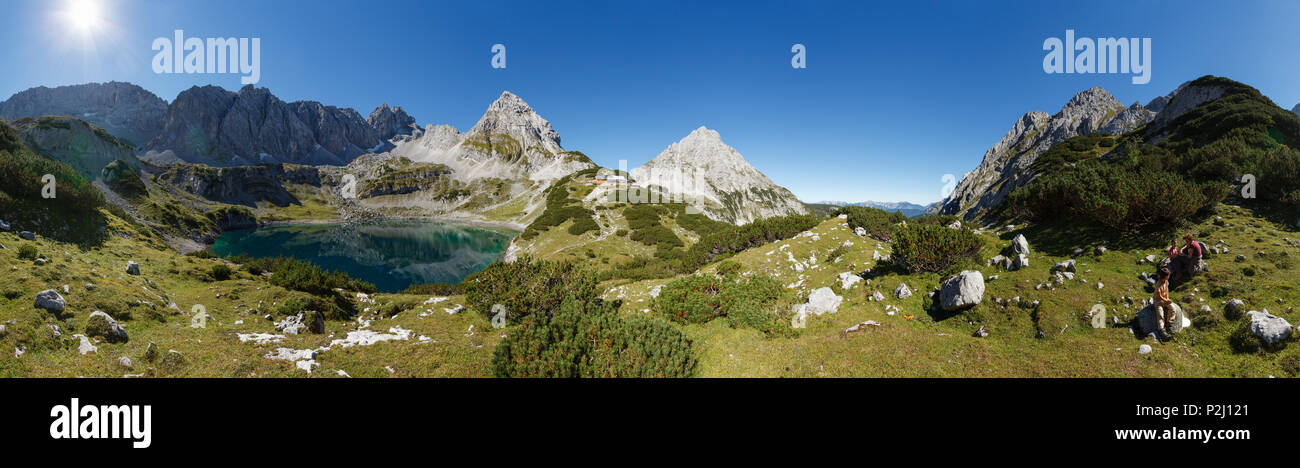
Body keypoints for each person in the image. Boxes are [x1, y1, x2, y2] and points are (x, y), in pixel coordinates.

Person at [1152, 267, 1177, 338]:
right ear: (1165, 276)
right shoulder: (1158, 284)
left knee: (1173, 309)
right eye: (1168, 275)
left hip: (1165, 299)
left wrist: (1167, 299)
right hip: (1158, 301)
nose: (1169, 276)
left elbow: (1167, 290)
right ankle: (1161, 329)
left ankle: (1169, 323)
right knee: (1160, 314)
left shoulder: (1166, 282)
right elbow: (1159, 296)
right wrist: (1166, 301)